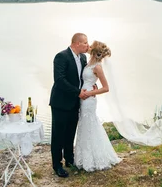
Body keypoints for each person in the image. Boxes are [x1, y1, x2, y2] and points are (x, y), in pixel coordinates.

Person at [74, 40, 121, 172]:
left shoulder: (98, 67)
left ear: (95, 51)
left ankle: (94, 158)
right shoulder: (89, 62)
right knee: (84, 124)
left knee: (89, 124)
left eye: (90, 46)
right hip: (83, 96)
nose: (88, 47)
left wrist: (91, 92)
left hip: (89, 99)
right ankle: (84, 157)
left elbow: (106, 88)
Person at [49, 33, 90, 178]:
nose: (87, 45)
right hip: (60, 103)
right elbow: (59, 80)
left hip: (75, 103)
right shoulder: (61, 56)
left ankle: (69, 159)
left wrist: (91, 85)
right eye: (85, 43)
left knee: (70, 132)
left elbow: (83, 77)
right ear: (77, 43)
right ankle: (57, 165)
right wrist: (78, 92)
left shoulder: (83, 57)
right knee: (58, 135)